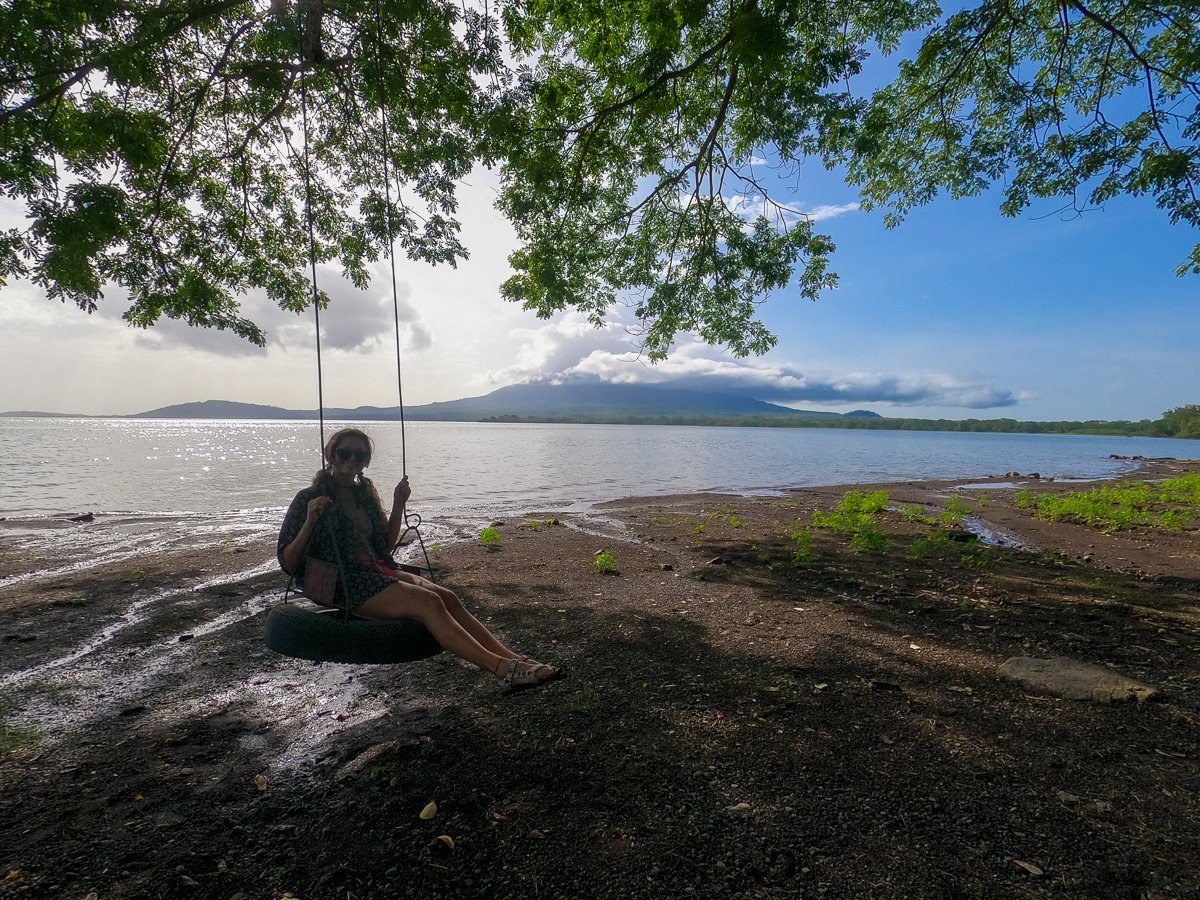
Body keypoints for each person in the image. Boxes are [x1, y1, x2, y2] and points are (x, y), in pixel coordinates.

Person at [277, 427, 561, 691]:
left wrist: (398, 504)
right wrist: (310, 522)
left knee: (447, 596)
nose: (352, 459)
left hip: (377, 571)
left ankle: (514, 658)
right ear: (331, 455)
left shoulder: (364, 495)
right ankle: (502, 669)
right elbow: (288, 564)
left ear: (366, 461)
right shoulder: (310, 498)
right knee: (428, 602)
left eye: (360, 454)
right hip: (339, 583)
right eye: (345, 453)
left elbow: (384, 546)